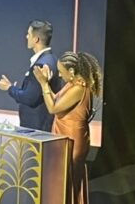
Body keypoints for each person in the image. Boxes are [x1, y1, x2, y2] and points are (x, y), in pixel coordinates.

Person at [33, 51, 102, 204]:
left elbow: (53, 108)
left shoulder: (79, 89)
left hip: (73, 139)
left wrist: (44, 84)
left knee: (67, 177)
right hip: (64, 136)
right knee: (62, 178)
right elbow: (56, 101)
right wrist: (45, 83)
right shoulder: (72, 85)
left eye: (60, 71)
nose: (59, 75)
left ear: (71, 71)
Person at [0, 20, 63, 131]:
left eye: (29, 34)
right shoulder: (52, 59)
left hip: (36, 127)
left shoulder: (41, 64)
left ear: (36, 39)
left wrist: (9, 88)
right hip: (42, 124)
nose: (26, 37)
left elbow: (30, 98)